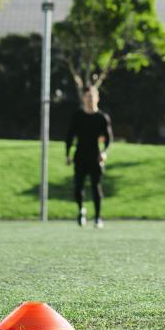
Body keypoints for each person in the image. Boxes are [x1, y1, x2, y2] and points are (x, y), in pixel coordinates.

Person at [64, 87, 113, 228]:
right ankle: (81, 211)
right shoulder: (77, 116)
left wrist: (104, 152)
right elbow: (69, 136)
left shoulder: (102, 117)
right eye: (88, 96)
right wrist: (67, 153)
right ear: (84, 98)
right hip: (80, 155)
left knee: (96, 186)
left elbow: (109, 138)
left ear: (97, 98)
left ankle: (98, 217)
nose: (90, 99)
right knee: (78, 186)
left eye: (93, 96)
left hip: (95, 156)